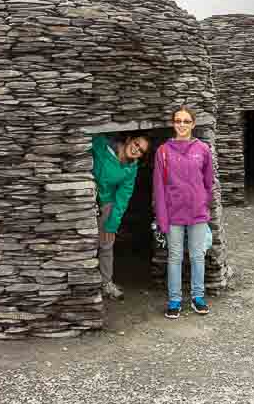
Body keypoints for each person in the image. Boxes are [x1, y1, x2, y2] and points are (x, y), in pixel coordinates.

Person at [153, 106, 213, 319]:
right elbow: (159, 187)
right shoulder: (163, 151)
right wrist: (162, 218)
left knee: (198, 256)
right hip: (173, 212)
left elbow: (208, 182)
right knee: (175, 257)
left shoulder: (202, 149)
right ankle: (175, 300)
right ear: (173, 123)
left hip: (197, 212)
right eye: (178, 120)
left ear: (193, 124)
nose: (182, 124)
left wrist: (205, 204)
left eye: (186, 121)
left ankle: (198, 297)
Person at [91, 133, 150, 300]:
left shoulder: (131, 167)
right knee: (85, 244)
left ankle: (106, 283)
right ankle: (84, 285)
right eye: (137, 144)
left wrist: (112, 224)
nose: (136, 150)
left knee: (106, 244)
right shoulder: (103, 146)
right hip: (84, 197)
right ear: (129, 139)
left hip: (106, 202)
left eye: (141, 151)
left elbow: (123, 196)